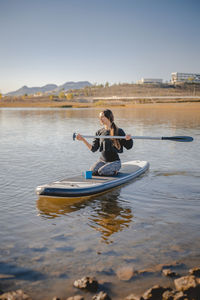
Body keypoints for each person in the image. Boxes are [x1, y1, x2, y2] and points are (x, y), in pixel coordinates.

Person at [76, 109, 133, 176]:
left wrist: (129, 139)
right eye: (99, 117)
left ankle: (115, 171)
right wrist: (83, 140)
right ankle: (104, 170)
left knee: (101, 171)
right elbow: (93, 149)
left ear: (108, 117)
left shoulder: (119, 131)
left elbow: (129, 147)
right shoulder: (99, 132)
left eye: (102, 117)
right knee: (92, 172)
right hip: (102, 161)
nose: (100, 119)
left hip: (115, 162)